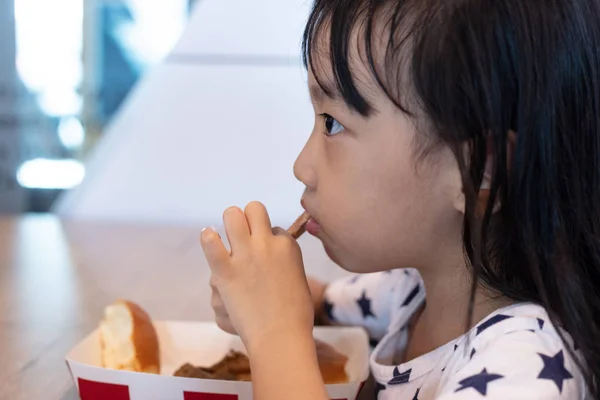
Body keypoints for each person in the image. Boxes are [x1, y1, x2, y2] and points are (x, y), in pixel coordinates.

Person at [200, 0, 600, 398]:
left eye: (333, 123)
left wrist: (274, 333)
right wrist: (264, 298)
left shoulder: (525, 370)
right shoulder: (411, 291)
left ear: (476, 169)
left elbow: (284, 328)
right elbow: (320, 301)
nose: (301, 167)